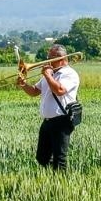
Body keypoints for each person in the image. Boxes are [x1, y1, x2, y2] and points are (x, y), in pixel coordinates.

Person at [21, 42, 81, 172]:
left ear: (61, 59)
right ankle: (51, 177)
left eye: (50, 58)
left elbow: (59, 90)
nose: (47, 61)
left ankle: (60, 183)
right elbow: (34, 92)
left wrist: (48, 75)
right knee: (42, 158)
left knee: (60, 158)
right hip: (47, 122)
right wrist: (23, 84)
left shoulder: (69, 74)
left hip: (62, 120)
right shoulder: (50, 73)